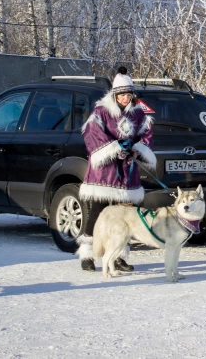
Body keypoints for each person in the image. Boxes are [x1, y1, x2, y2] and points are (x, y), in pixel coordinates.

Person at [76, 67, 156, 272]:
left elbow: (146, 134)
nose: (125, 98)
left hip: (126, 174)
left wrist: (137, 150)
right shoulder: (101, 112)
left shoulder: (138, 114)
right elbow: (92, 135)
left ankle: (119, 255)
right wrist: (115, 148)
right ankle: (87, 254)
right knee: (96, 212)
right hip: (104, 174)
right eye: (122, 94)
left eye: (129, 94)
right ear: (115, 95)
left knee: (124, 216)